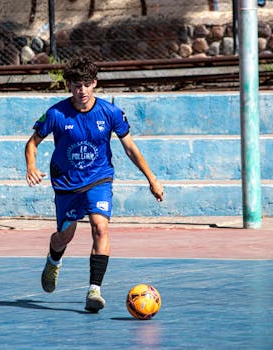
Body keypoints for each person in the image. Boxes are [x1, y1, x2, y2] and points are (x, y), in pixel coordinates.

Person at [25, 56, 164, 313]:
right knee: (64, 236)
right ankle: (54, 260)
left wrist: (152, 178)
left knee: (100, 227)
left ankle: (94, 290)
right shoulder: (56, 114)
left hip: (99, 179)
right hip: (67, 184)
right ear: (69, 86)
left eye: (87, 84)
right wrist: (31, 166)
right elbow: (32, 143)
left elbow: (130, 148)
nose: (82, 90)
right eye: (77, 85)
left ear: (95, 84)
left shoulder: (110, 113)